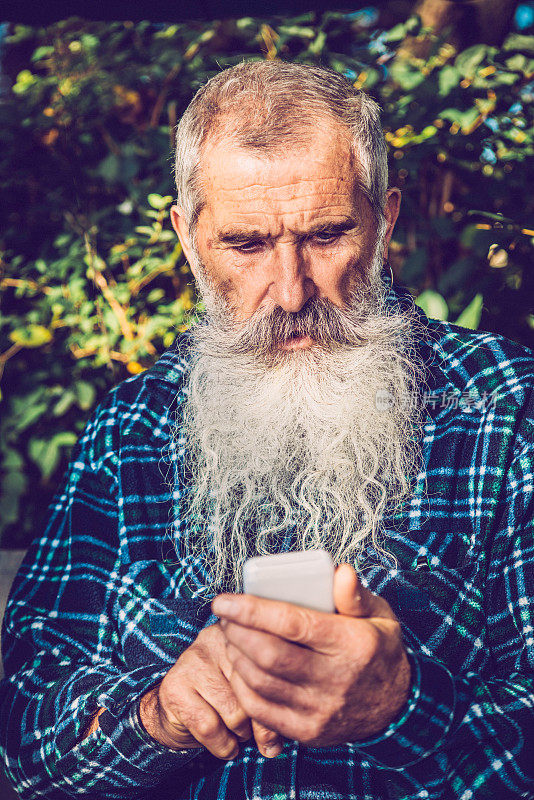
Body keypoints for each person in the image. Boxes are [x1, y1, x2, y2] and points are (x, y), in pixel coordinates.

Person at [1, 60, 533, 800]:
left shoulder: (509, 410)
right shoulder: (130, 432)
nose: (290, 292)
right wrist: (160, 714)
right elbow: (20, 744)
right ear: (188, 239)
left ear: (385, 222)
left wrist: (402, 705)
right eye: (246, 245)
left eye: (325, 235)